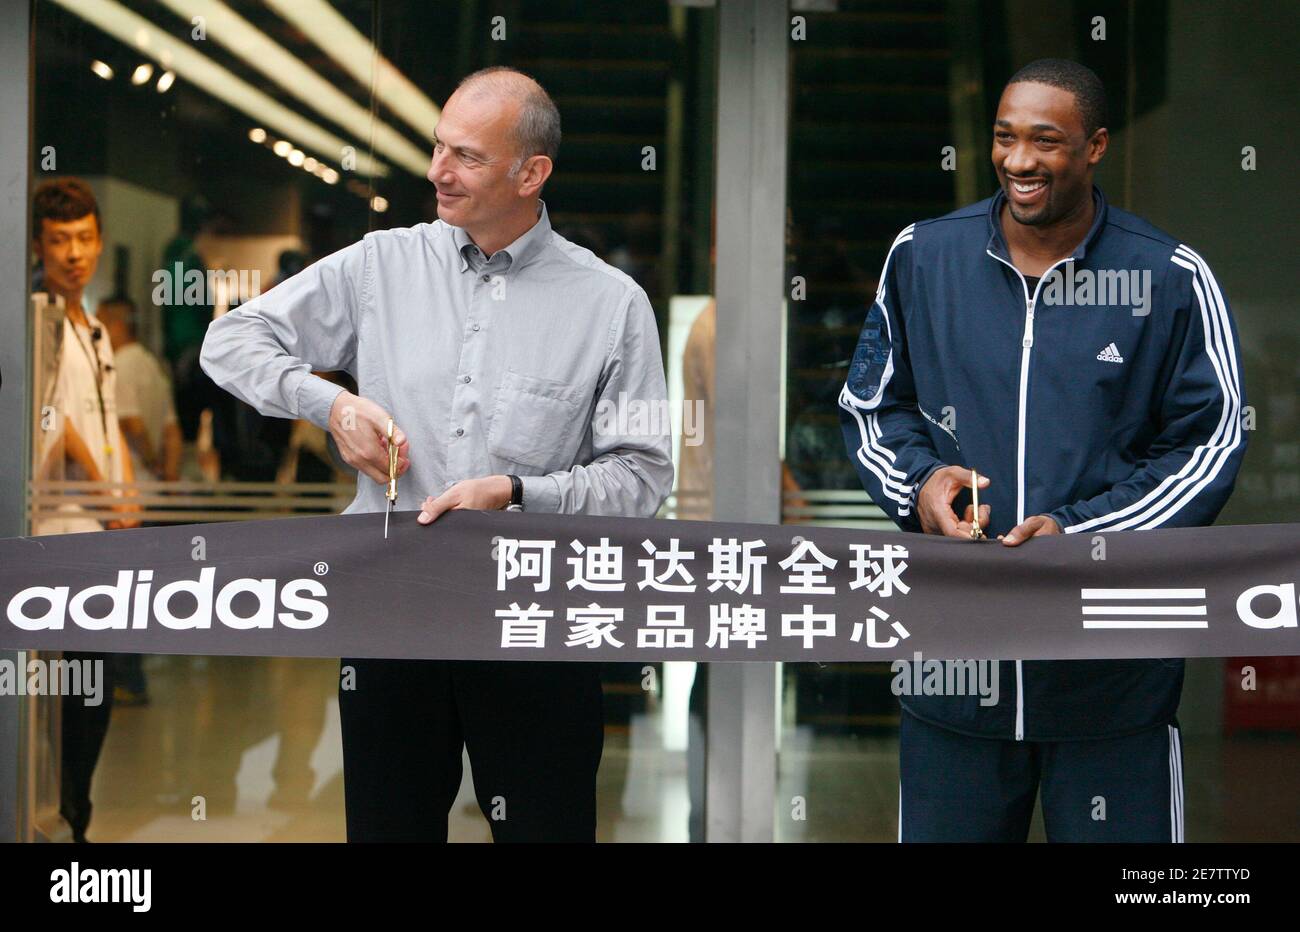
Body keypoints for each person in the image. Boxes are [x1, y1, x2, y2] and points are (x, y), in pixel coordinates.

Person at [201, 67, 673, 841]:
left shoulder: (611, 304)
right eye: (436, 147)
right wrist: (333, 403)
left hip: (537, 625)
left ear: (532, 174)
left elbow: (644, 474)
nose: (436, 172)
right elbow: (232, 340)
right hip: (391, 617)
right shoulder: (381, 265)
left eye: (465, 156)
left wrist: (519, 494)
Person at [838, 59, 1246, 842]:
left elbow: (1211, 439)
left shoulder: (1167, 275)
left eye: (1045, 141)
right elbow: (870, 406)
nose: (1019, 161)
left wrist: (1088, 535)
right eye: (1004, 137)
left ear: (1094, 147)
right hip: (954, 672)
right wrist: (921, 484)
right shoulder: (925, 256)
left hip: (1111, 685)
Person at [31, 177, 141, 842]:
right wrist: (106, 488)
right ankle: (60, 819)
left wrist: (125, 498)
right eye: (57, 240)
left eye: (83, 238)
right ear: (37, 247)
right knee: (64, 698)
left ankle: (74, 818)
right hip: (57, 531)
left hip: (97, 534)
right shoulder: (38, 320)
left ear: (99, 242)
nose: (73, 253)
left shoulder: (94, 329)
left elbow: (103, 425)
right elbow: (50, 425)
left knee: (90, 691)